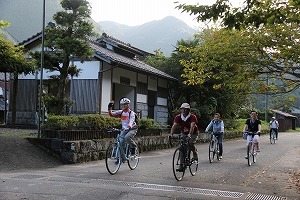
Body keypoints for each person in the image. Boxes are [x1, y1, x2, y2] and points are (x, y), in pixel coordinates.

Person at [170, 103, 199, 172]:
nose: (184, 110)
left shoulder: (192, 117)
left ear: (188, 110)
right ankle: (181, 165)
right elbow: (174, 125)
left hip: (193, 133)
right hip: (183, 133)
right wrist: (171, 134)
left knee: (190, 143)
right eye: (182, 109)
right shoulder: (178, 117)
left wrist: (189, 134)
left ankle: (195, 153)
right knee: (182, 148)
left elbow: (192, 126)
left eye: (185, 109)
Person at [108, 97, 138, 163]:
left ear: (128, 105)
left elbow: (131, 121)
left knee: (127, 138)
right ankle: (121, 158)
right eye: (122, 105)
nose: (123, 106)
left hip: (132, 128)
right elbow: (111, 114)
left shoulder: (131, 113)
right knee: (120, 143)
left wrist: (129, 126)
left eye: (125, 104)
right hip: (124, 129)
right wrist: (109, 108)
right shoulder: (121, 112)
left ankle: (133, 147)